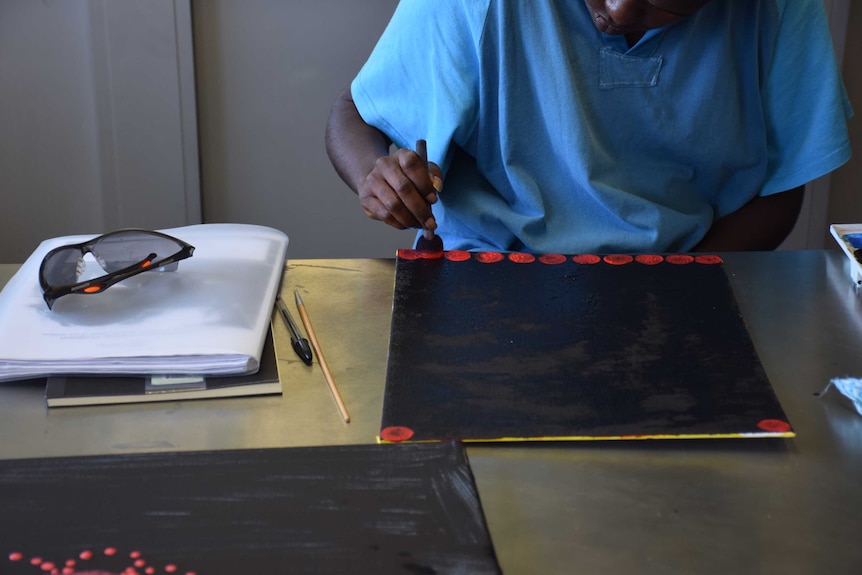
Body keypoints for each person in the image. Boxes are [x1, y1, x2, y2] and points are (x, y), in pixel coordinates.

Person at [325, 0, 853, 254]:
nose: (618, 11)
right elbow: (353, 111)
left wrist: (683, 281)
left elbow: (782, 190)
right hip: (489, 273)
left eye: (661, 2)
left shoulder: (776, 10)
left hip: (691, 273)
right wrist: (376, 174)